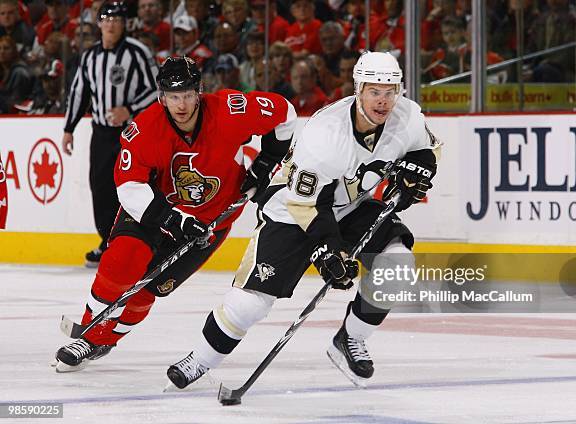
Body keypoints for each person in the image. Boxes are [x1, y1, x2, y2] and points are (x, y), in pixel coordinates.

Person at [166, 51, 441, 390]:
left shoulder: (408, 116)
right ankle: (201, 359)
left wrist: (418, 169)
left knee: (398, 263)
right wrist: (329, 251)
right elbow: (305, 204)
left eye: (389, 92)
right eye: (374, 91)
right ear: (358, 89)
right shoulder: (324, 134)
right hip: (292, 212)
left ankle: (349, 339)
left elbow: (427, 148)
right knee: (249, 304)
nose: (382, 101)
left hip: (351, 206)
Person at [54, 56, 297, 372]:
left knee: (149, 289)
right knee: (121, 263)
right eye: (172, 96)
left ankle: (106, 340)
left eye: (186, 94)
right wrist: (169, 217)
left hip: (211, 220)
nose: (180, 104)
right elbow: (129, 187)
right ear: (161, 96)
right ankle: (88, 333)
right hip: (155, 210)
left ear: (198, 91)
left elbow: (285, 114)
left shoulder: (231, 110)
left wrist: (266, 162)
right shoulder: (144, 128)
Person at [62, 1, 158, 268]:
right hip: (102, 133)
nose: (111, 23)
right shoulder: (89, 56)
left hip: (134, 132)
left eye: (117, 19)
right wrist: (68, 129)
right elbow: (79, 93)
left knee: (135, 185)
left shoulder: (137, 53)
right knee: (101, 186)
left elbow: (156, 89)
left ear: (124, 23)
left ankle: (142, 240)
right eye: (106, 18)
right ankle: (109, 242)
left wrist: (130, 109)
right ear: (99, 23)